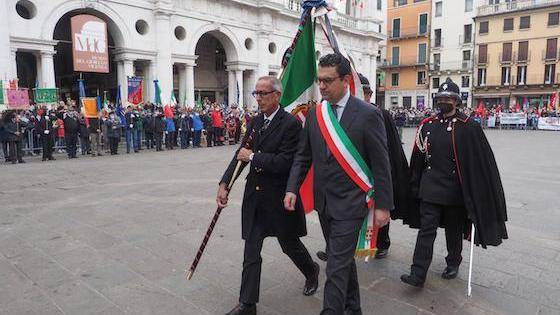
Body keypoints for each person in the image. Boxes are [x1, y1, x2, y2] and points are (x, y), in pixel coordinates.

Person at [284, 54, 393, 315]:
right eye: (319, 80)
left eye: (328, 81)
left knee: (335, 264)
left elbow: (381, 163)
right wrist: (291, 188)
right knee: (343, 261)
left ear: (345, 80)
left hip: (353, 203)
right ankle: (353, 309)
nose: (321, 86)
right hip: (325, 203)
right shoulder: (315, 114)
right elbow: (303, 155)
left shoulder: (368, 114)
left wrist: (383, 206)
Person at [218, 76, 319, 315]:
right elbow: (240, 154)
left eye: (263, 93)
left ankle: (311, 270)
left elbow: (286, 162)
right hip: (255, 197)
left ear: (277, 95)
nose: (259, 98)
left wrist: (253, 158)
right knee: (251, 251)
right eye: (256, 93)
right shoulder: (254, 122)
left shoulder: (291, 124)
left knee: (289, 244)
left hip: (279, 197)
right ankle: (247, 304)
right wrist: (225, 183)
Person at [400, 78, 508, 287]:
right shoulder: (427, 125)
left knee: (453, 230)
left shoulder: (469, 128)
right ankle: (418, 273)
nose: (444, 101)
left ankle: (453, 262)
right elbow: (418, 158)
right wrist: (414, 185)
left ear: (457, 101)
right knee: (426, 231)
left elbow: (480, 163)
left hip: (455, 191)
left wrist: (478, 192)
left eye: (449, 98)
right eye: (441, 98)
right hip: (430, 189)